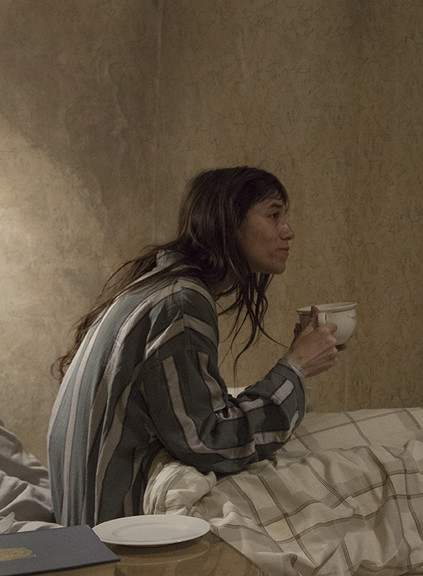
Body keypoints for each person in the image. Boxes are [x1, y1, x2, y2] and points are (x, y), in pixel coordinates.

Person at [48, 166, 341, 527]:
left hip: (85, 517)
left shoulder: (158, 286)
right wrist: (296, 367)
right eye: (274, 215)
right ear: (228, 222)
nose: (288, 231)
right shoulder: (181, 302)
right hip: (111, 532)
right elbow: (210, 441)